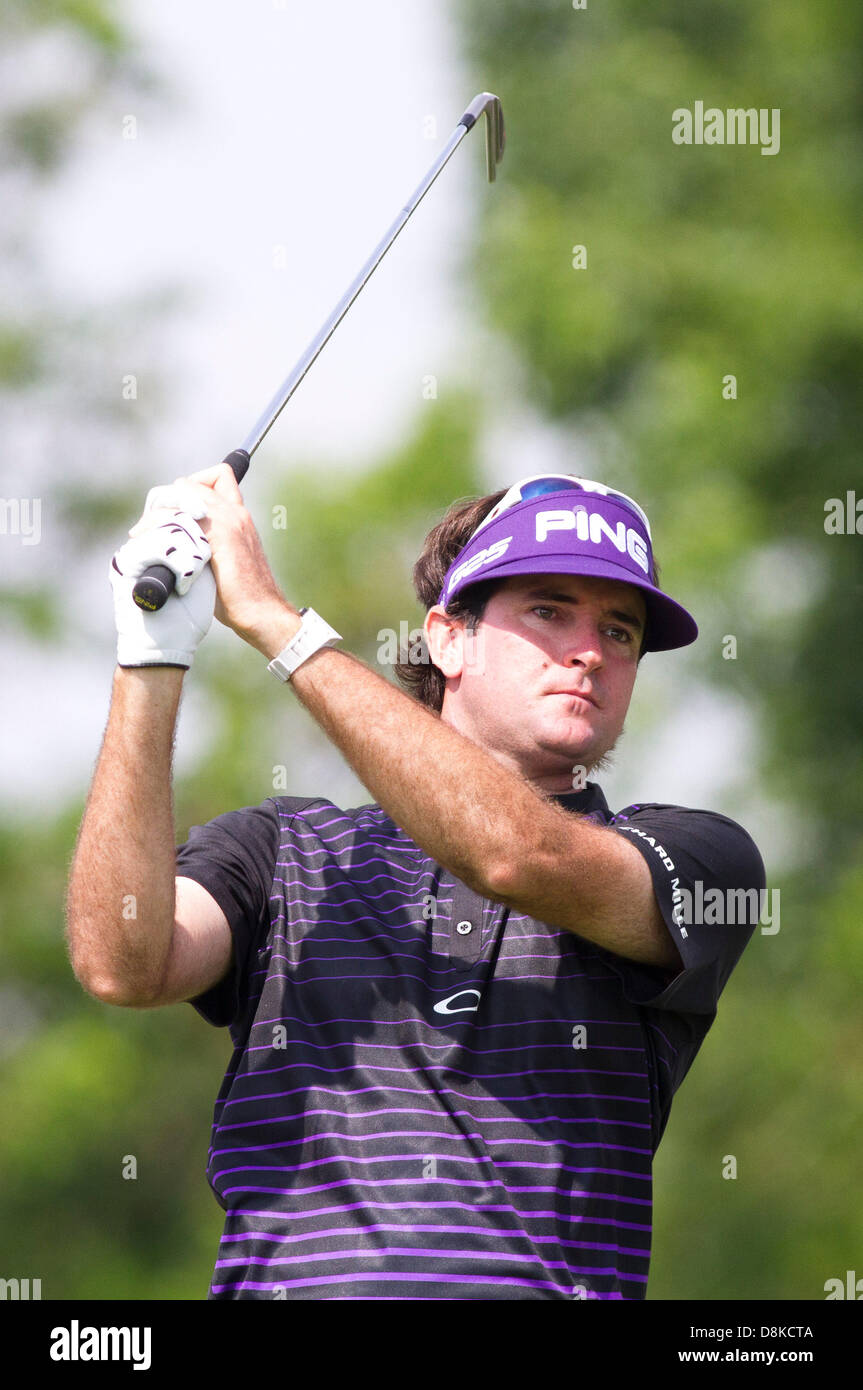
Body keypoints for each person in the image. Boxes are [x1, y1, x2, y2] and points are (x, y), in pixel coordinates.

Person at [66, 467, 766, 1300]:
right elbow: (122, 961)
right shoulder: (282, 847)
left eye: (620, 631)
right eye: (547, 610)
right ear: (446, 639)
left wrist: (276, 625)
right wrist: (149, 660)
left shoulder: (695, 855)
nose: (590, 649)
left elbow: (513, 857)